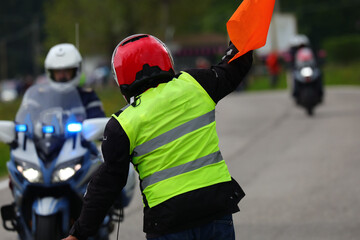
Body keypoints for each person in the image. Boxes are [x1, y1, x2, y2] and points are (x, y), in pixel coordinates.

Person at [63, 34, 253, 240]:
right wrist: (244, 33)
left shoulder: (123, 124)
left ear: (121, 78)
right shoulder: (196, 84)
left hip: (168, 221)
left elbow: (106, 184)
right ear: (166, 61)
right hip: (215, 209)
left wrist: (78, 233)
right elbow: (234, 67)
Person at [44, 43, 105, 118]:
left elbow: (97, 121)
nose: (62, 75)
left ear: (76, 71)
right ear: (51, 73)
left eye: (67, 71)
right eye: (57, 71)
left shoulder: (87, 97)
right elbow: (30, 118)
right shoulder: (42, 98)